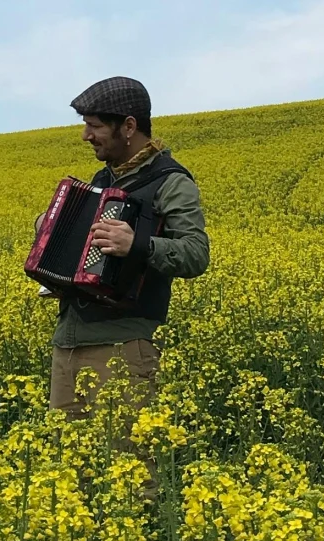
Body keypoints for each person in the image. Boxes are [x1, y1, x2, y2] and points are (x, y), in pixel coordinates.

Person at [46, 75, 209, 417]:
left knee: (128, 464)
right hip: (68, 346)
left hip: (123, 348)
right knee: (67, 467)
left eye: (95, 126)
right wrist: (48, 232)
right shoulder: (103, 180)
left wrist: (138, 245)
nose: (85, 135)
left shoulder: (170, 182)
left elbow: (196, 253)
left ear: (129, 126)